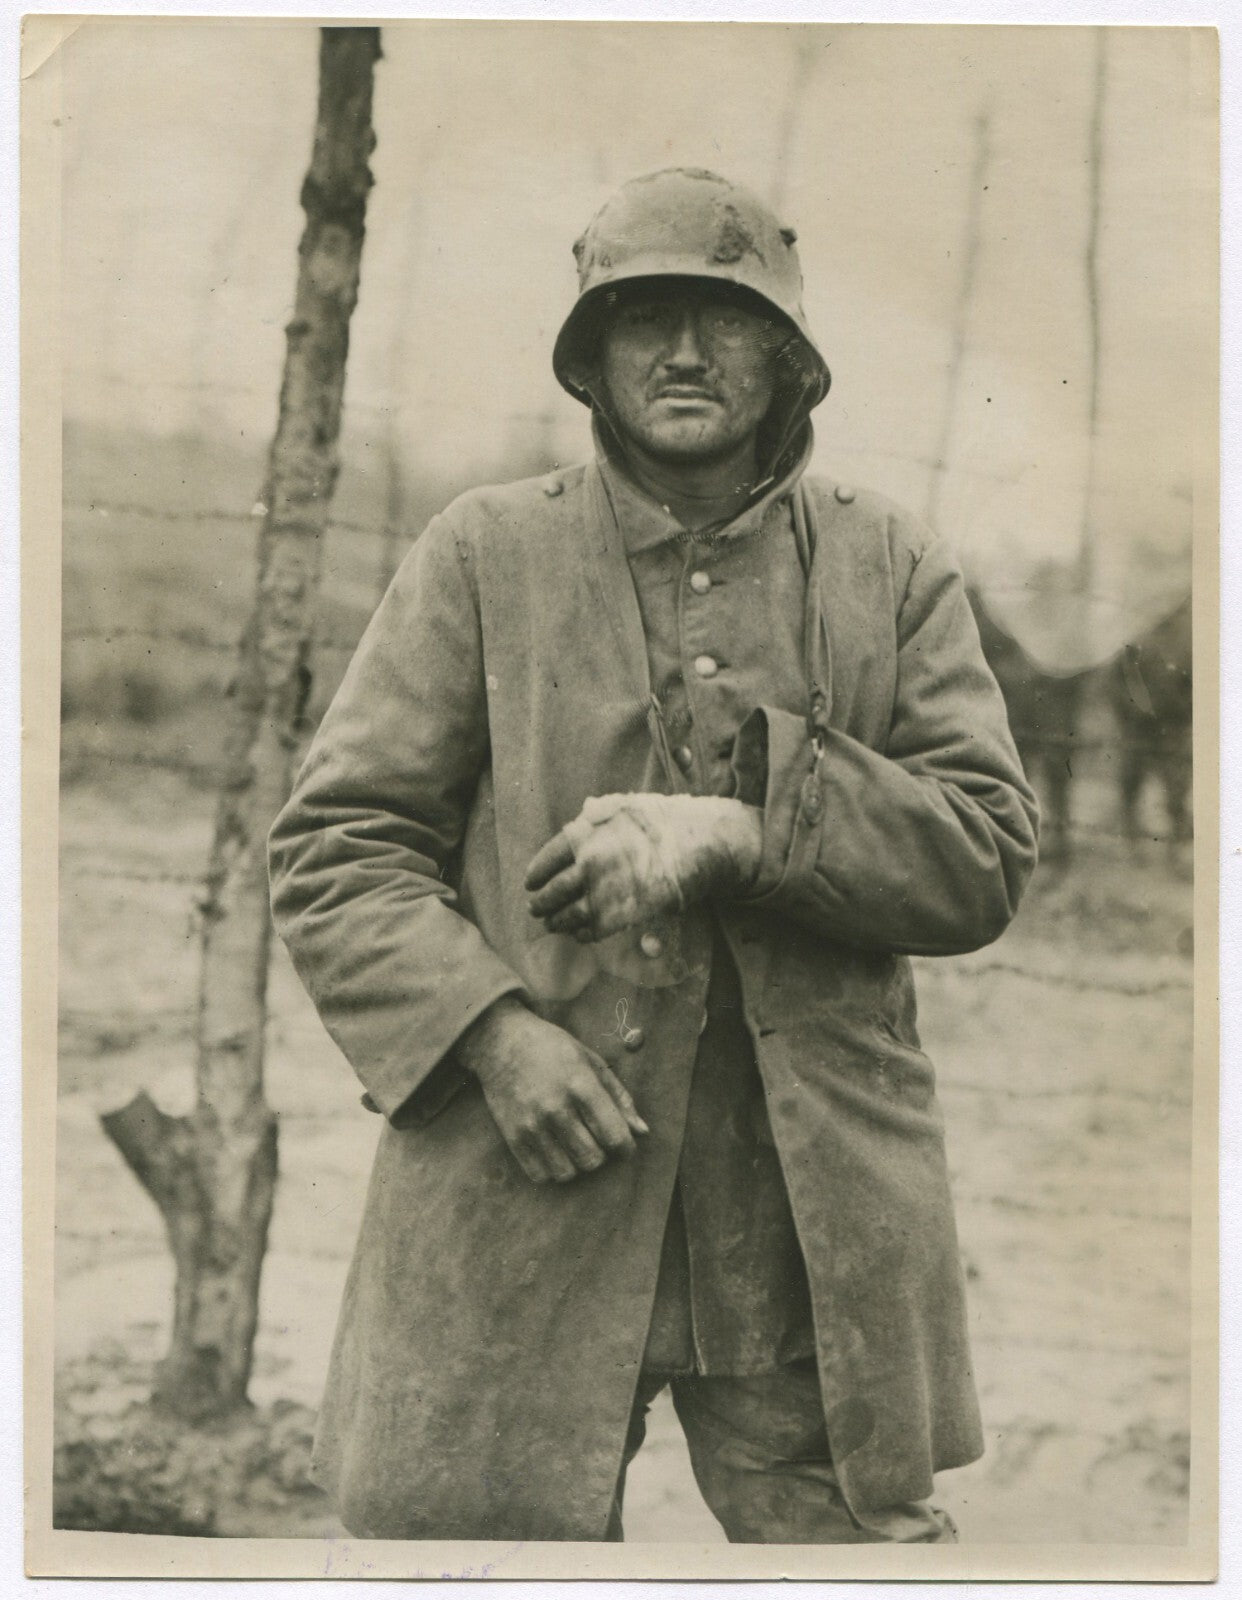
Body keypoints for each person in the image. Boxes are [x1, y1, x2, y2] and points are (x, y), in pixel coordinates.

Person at [268, 167, 1040, 1545]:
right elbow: (340, 846)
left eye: (723, 318)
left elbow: (979, 856)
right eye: (642, 318)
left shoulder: (891, 566)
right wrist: (492, 1038)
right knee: (474, 1557)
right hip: (533, 1171)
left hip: (806, 1218)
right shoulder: (482, 554)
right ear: (590, 354)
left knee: (855, 1556)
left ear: (787, 356)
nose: (683, 354)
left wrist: (741, 830)